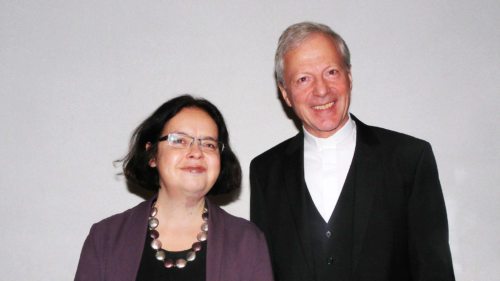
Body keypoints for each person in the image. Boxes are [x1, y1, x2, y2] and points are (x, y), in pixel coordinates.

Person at [250, 22, 455, 281]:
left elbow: (434, 271)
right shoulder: (265, 170)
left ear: (349, 76)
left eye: (331, 72)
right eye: (303, 79)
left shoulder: (409, 159)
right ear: (286, 93)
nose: (321, 90)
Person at [75, 95, 273, 281]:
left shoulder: (247, 241)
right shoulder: (105, 238)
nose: (196, 152)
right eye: (179, 141)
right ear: (152, 155)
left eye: (209, 144)